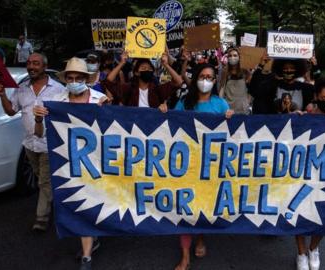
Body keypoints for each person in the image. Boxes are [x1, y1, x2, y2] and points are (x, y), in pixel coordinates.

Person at [33, 57, 108, 270]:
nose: (74, 81)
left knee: (93, 202)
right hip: (67, 164)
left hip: (96, 163)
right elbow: (39, 136)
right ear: (66, 79)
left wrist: (108, 112)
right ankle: (88, 248)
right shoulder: (56, 102)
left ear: (87, 79)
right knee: (79, 204)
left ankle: (89, 248)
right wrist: (39, 119)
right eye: (71, 78)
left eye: (79, 78)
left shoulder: (99, 99)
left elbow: (114, 131)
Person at [159, 64, 234, 270]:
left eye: (210, 77)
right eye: (202, 76)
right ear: (196, 78)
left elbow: (231, 134)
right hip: (187, 164)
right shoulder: (185, 102)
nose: (206, 80)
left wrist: (231, 118)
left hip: (210, 165)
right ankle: (185, 256)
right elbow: (172, 127)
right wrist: (164, 112)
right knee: (185, 206)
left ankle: (200, 237)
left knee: (203, 205)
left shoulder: (220, 104)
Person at [0, 53, 65, 231]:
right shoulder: (22, 88)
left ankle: (41, 219)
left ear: (44, 66)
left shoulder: (58, 89)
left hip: (50, 144)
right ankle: (58, 200)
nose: (31, 67)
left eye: (36, 63)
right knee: (42, 178)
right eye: (29, 63)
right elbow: (11, 111)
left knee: (44, 182)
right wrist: (2, 95)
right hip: (29, 145)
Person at [296, 76, 325, 270]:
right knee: (299, 211)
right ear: (315, 96)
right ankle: (301, 252)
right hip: (302, 172)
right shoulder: (304, 117)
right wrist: (295, 120)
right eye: (324, 98)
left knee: (322, 213)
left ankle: (314, 248)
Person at [103, 52, 183, 107]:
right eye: (143, 68)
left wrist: (166, 64)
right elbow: (108, 81)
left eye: (149, 69)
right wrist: (122, 63)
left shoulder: (157, 90)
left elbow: (179, 81)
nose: (147, 70)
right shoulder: (128, 89)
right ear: (137, 73)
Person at [219, 48, 251, 114]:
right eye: (230, 56)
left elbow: (251, 89)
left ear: (239, 57)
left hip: (243, 108)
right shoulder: (225, 71)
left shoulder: (245, 71)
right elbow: (222, 89)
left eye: (235, 55)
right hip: (229, 108)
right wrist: (222, 105)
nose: (232, 57)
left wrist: (247, 102)